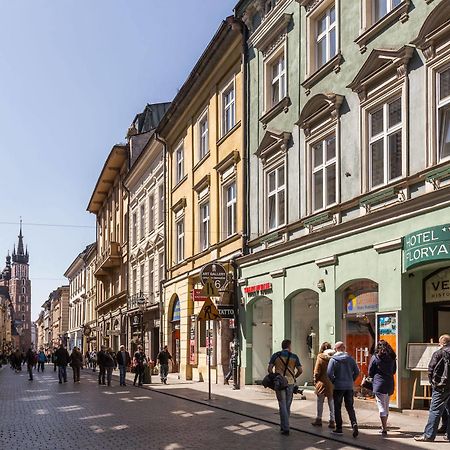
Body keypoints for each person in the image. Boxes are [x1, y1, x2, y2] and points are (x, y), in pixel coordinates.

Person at [415, 334, 450, 442]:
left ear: (441, 343)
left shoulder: (438, 353)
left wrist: (433, 384)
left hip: (441, 386)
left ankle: (429, 435)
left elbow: (430, 370)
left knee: (435, 410)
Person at [268, 339, 302, 436]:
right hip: (290, 382)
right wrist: (294, 376)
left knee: (282, 404)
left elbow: (269, 369)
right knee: (287, 405)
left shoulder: (275, 355)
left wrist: (274, 376)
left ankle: (285, 427)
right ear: (289, 346)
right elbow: (300, 370)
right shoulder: (294, 357)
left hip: (279, 381)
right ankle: (285, 426)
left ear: (282, 346)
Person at [327, 341, 360, 438]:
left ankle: (339, 428)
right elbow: (357, 371)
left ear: (336, 349)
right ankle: (354, 424)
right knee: (350, 407)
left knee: (337, 407)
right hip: (349, 387)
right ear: (344, 348)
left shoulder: (333, 359)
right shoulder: (350, 359)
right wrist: (351, 380)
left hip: (338, 387)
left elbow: (329, 373)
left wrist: (334, 381)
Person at [368, 340, 397, 436]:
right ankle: (384, 426)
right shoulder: (392, 357)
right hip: (389, 383)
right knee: (386, 405)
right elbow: (394, 371)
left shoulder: (376, 357)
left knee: (381, 406)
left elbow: (370, 371)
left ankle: (384, 428)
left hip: (379, 384)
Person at [312, 342, 335, 429]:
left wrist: (315, 379)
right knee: (331, 402)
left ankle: (319, 419)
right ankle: (332, 421)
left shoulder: (320, 357)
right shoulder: (335, 357)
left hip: (321, 382)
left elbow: (317, 371)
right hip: (332, 383)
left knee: (320, 402)